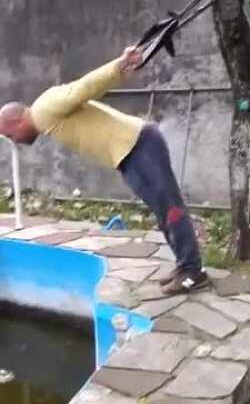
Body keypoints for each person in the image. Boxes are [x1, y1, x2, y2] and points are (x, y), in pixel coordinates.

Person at [0, 46, 208, 295]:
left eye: (11, 135)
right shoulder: (45, 115)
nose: (15, 142)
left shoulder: (44, 109)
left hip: (139, 145)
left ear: (16, 122)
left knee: (171, 208)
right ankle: (184, 265)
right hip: (129, 153)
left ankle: (192, 272)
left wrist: (119, 65)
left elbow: (84, 87)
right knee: (163, 211)